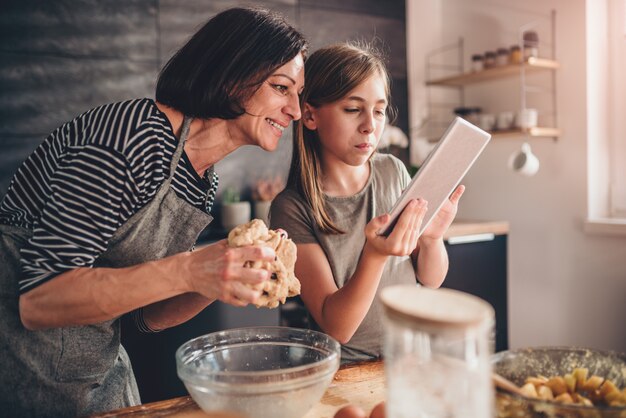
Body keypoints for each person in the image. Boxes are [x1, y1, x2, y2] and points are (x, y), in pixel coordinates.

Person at [0, 7, 307, 417]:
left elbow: (145, 318)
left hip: (99, 378)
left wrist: (223, 279)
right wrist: (190, 268)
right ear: (233, 72)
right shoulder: (132, 135)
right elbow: (39, 300)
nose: (296, 110)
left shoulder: (200, 180)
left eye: (299, 95)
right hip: (21, 374)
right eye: (282, 87)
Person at [270, 43, 464, 363]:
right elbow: (337, 327)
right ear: (310, 115)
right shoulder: (291, 208)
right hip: (346, 370)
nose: (370, 126)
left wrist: (431, 239)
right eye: (352, 109)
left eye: (378, 110)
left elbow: (430, 279)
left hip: (410, 354)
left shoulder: (393, 172)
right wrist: (374, 255)